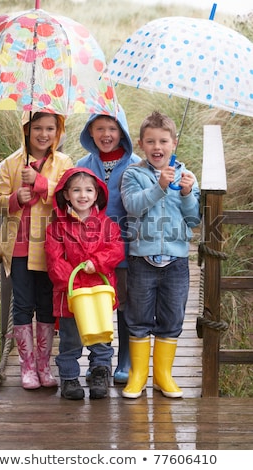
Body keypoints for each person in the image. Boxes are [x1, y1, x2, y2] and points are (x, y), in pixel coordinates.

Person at [120, 111, 201, 399]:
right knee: (139, 317)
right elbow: (133, 206)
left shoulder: (186, 175)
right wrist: (160, 186)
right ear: (142, 144)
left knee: (172, 318)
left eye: (164, 141)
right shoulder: (134, 174)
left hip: (176, 262)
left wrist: (187, 193)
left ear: (173, 143)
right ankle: (138, 375)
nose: (158, 147)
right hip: (143, 259)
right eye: (151, 141)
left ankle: (163, 376)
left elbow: (193, 219)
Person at [0, 111, 73, 390]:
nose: (43, 134)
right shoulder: (11, 164)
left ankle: (43, 365)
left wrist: (40, 183)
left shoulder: (63, 163)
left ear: (58, 131)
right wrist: (16, 198)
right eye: (37, 128)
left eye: (50, 128)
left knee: (47, 305)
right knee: (24, 305)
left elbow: (67, 196)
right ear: (26, 130)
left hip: (49, 247)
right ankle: (27, 367)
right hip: (18, 248)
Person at [44, 168, 125, 400]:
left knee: (101, 337)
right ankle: (69, 379)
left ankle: (100, 373)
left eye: (88, 190)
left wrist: (96, 262)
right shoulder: (57, 228)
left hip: (98, 293)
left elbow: (116, 250)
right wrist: (75, 284)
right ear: (66, 194)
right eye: (76, 190)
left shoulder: (107, 225)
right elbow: (54, 261)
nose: (83, 195)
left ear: (97, 193)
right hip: (71, 296)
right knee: (70, 339)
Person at [76, 106, 141, 384]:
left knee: (126, 305)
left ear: (122, 133)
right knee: (95, 304)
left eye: (113, 129)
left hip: (125, 248)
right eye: (100, 128)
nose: (106, 134)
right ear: (90, 130)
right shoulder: (82, 165)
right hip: (91, 251)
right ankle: (99, 359)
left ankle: (125, 359)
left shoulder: (137, 164)